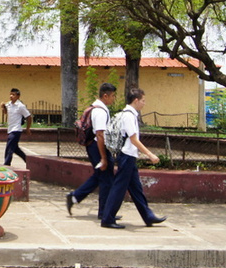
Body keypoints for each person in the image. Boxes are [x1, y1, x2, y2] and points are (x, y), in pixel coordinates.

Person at [99, 87, 166, 229]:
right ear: (136, 100)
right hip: (127, 156)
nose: (144, 103)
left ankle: (148, 216)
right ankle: (107, 218)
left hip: (129, 156)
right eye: (143, 100)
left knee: (136, 189)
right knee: (118, 188)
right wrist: (150, 154)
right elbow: (134, 139)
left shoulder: (128, 114)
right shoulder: (129, 116)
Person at [65, 83, 118, 220]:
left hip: (94, 146)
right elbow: (100, 135)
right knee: (106, 179)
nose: (114, 99)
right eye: (112, 96)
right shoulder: (100, 111)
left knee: (100, 176)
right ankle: (104, 212)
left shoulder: (96, 108)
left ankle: (75, 197)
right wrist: (104, 158)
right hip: (97, 147)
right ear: (105, 96)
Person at [0, 88, 32, 166]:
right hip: (10, 129)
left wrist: (28, 128)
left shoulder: (20, 106)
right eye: (10, 94)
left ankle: (6, 164)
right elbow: (6, 112)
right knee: (15, 149)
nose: (11, 96)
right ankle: (28, 161)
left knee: (9, 148)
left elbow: (29, 117)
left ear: (18, 96)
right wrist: (3, 107)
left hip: (16, 130)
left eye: (13, 94)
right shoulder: (9, 104)